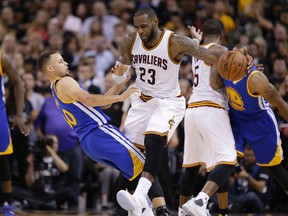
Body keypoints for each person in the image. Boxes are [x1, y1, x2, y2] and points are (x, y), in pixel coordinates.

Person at [111, 7, 230, 215]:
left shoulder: (175, 41)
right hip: (142, 102)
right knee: (132, 156)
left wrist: (232, 60)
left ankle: (139, 198)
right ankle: (151, 207)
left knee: (153, 141)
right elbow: (121, 73)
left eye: (144, 26)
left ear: (155, 22)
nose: (140, 31)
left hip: (168, 102)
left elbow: (206, 55)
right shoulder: (130, 40)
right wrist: (118, 76)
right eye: (137, 26)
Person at [37, 50, 171, 216]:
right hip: (99, 132)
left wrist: (120, 83)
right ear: (50, 68)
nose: (65, 63)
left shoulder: (55, 90)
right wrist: (121, 97)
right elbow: (90, 100)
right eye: (60, 61)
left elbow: (101, 104)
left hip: (90, 143)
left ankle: (131, 209)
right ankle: (160, 210)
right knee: (144, 165)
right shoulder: (64, 82)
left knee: (134, 172)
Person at [208, 44, 288, 214]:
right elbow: (214, 80)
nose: (232, 59)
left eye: (239, 56)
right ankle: (218, 208)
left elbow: (280, 103)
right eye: (231, 54)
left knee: (275, 169)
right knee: (226, 159)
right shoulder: (225, 66)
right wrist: (215, 63)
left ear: (247, 60)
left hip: (261, 125)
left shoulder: (256, 79)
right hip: (237, 121)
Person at [179, 19, 237, 216]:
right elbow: (215, 84)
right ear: (221, 35)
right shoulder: (221, 49)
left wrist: (197, 40)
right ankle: (201, 200)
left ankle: (189, 211)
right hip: (211, 108)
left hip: (192, 109)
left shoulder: (199, 50)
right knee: (228, 159)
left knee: (193, 166)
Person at [0, 51, 29, 216]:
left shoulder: (2, 58)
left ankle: (8, 203)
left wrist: (19, 114)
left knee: (2, 157)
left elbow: (18, 82)